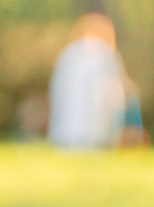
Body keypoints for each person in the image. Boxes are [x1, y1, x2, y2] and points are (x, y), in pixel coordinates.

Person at [46, 14, 127, 151]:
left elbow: (57, 88)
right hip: (94, 124)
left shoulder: (70, 53)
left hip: (70, 125)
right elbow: (114, 91)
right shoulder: (106, 54)